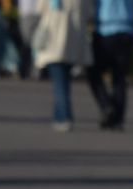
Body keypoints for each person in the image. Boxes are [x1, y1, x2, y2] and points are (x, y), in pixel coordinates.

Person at [33, 0, 91, 131]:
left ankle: (63, 117)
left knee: (59, 81)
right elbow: (88, 12)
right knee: (63, 80)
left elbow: (40, 9)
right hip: (72, 42)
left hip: (54, 41)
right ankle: (60, 115)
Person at [88, 0, 133, 127]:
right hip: (128, 29)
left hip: (105, 29)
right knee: (119, 76)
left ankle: (107, 106)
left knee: (93, 72)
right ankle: (117, 117)